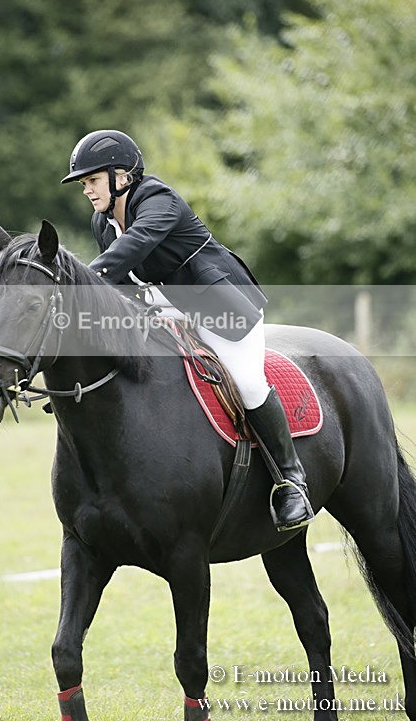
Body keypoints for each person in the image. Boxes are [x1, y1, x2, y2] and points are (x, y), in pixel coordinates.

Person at [61, 129, 313, 532]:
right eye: (84, 184)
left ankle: (292, 481)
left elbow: (134, 249)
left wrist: (80, 285)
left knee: (247, 383)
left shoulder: (159, 201)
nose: (87, 191)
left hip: (221, 311)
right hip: (169, 316)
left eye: (92, 180)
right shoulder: (102, 222)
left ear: (121, 175)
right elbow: (122, 284)